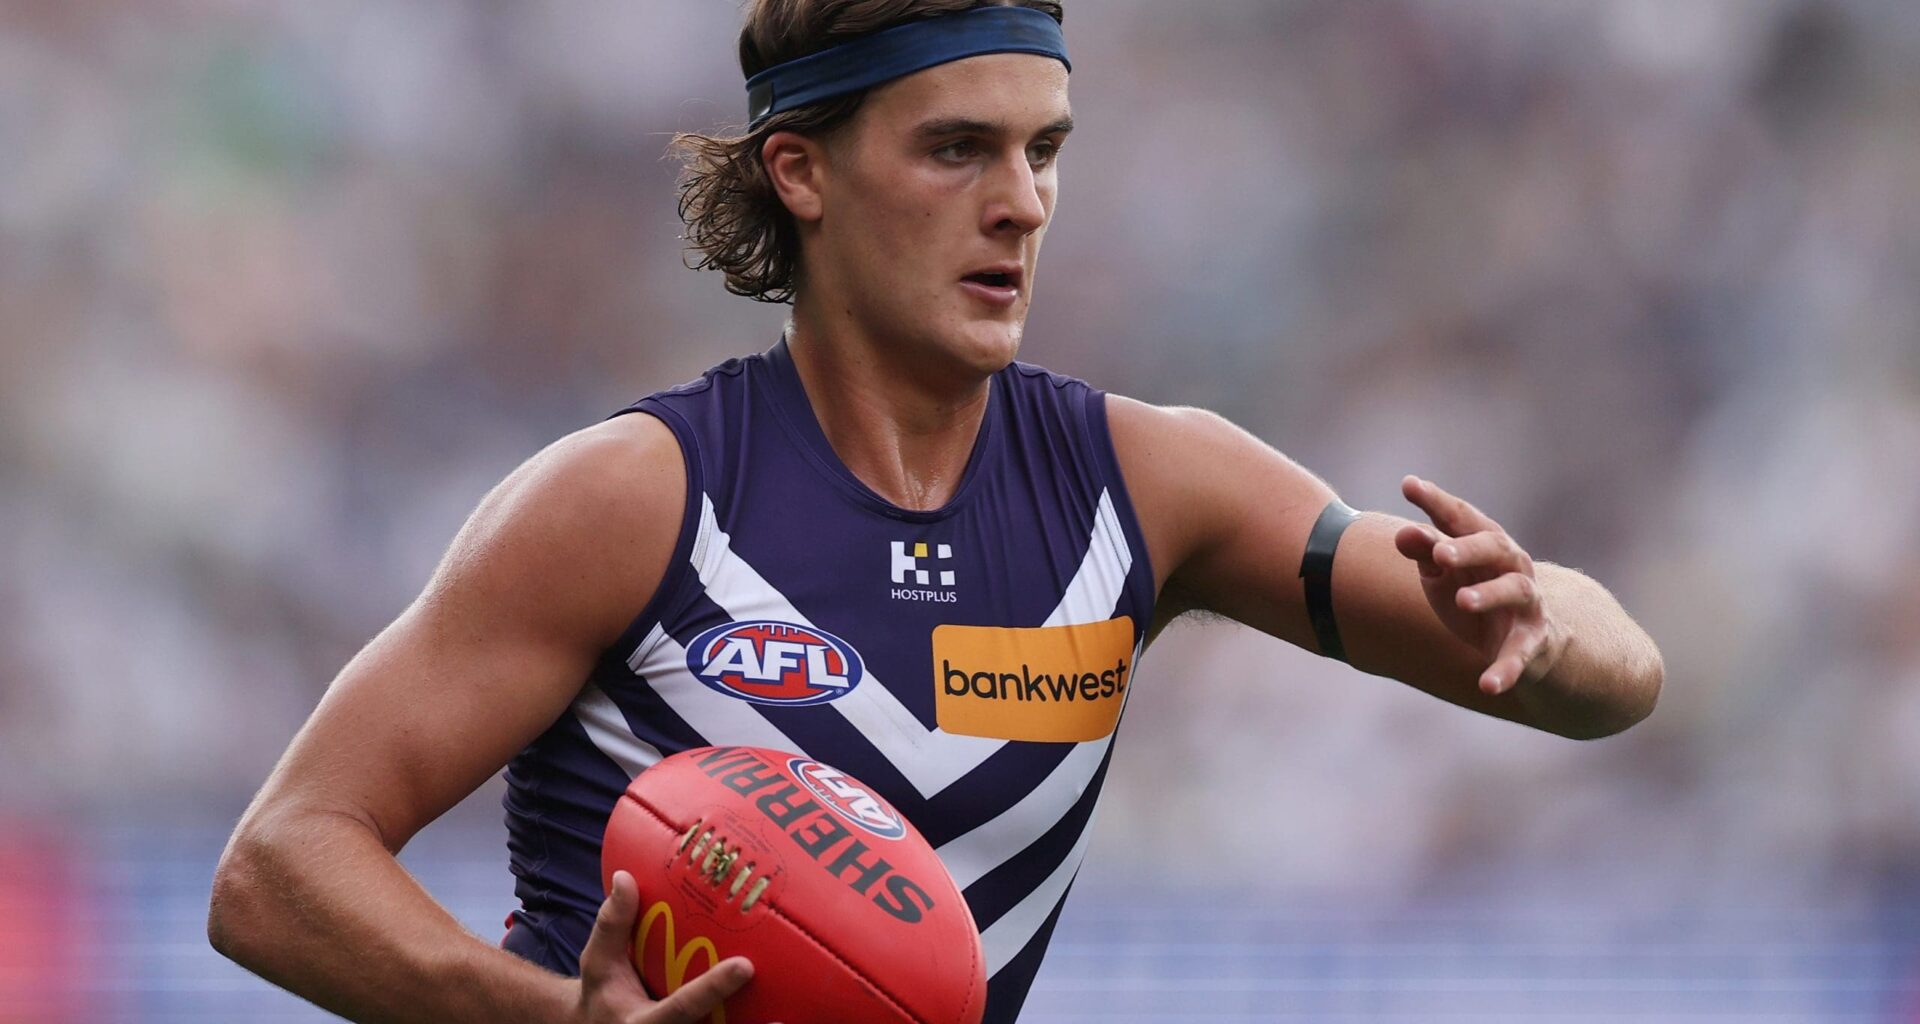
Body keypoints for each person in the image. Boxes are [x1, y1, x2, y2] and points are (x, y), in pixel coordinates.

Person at [206, 2, 1664, 1022]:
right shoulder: (634, 499)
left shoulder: (1152, 488)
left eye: (1045, 151)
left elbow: (1613, 680)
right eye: (959, 148)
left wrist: (1540, 628)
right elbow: (278, 869)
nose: (1022, 202)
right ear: (802, 172)